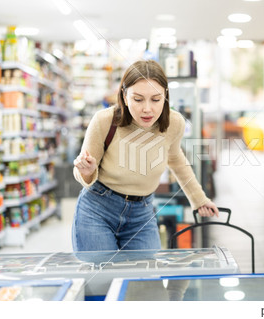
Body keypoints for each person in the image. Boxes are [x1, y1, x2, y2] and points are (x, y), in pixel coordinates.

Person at [72, 60, 219, 252]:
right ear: (125, 96)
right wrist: (87, 171)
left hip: (141, 214)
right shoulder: (104, 121)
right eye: (138, 99)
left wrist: (199, 199)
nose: (147, 109)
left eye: (156, 100)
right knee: (101, 278)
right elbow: (82, 172)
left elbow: (176, 160)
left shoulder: (174, 123)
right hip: (97, 210)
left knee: (145, 279)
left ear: (165, 96)